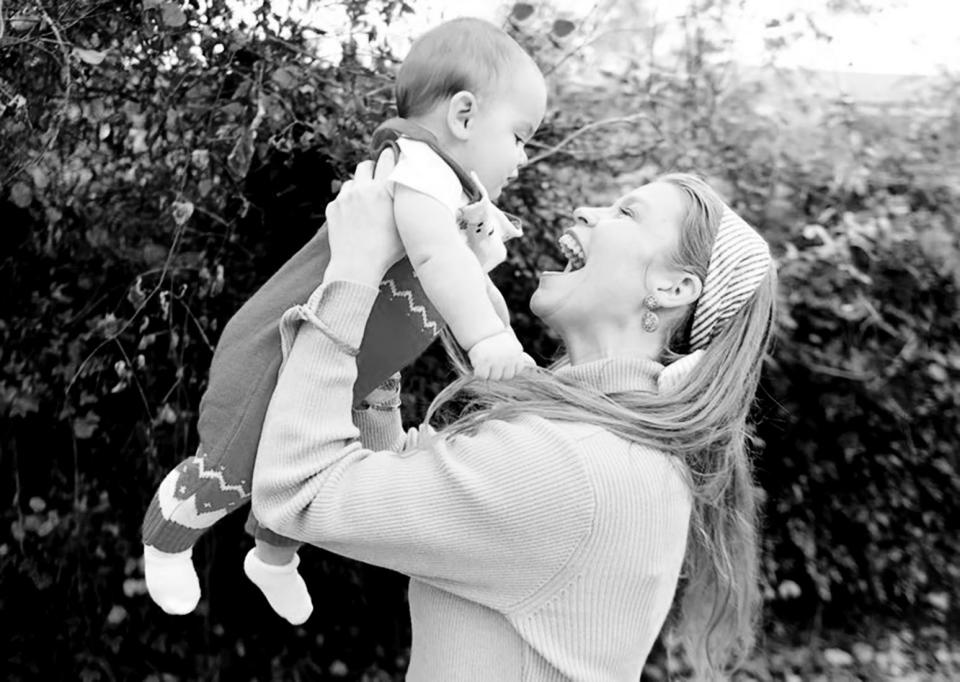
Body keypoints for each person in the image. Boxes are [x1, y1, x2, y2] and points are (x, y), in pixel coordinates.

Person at [251, 155, 777, 680]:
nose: (587, 211)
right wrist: (382, 350)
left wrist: (354, 272)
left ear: (672, 289)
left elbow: (300, 491)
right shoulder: (612, 442)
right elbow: (391, 509)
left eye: (625, 213)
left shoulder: (568, 462)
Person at [141, 17, 546, 623]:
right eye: (519, 136)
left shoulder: (454, 190)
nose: (522, 155)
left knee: (333, 466)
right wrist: (489, 339)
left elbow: (468, 276)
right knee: (236, 452)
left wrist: (502, 325)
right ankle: (166, 540)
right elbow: (436, 257)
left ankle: (273, 556)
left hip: (366, 358)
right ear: (463, 116)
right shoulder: (417, 167)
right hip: (288, 339)